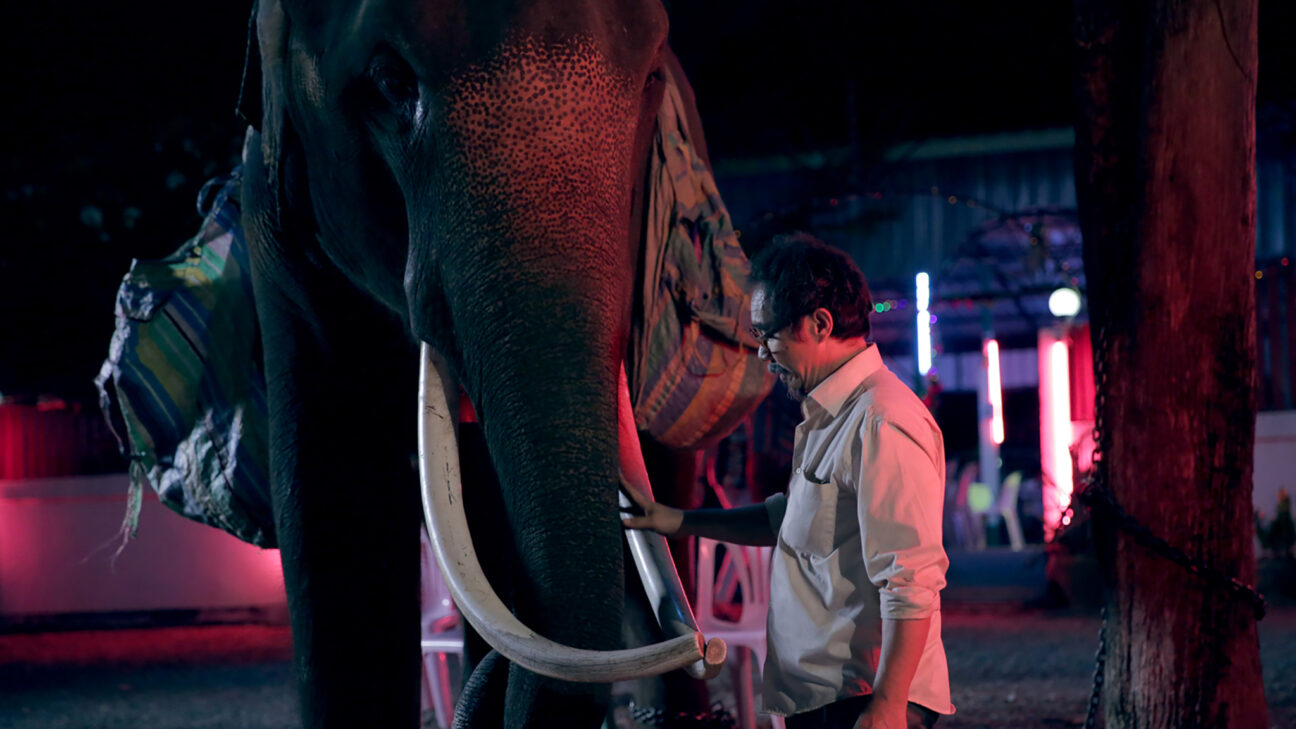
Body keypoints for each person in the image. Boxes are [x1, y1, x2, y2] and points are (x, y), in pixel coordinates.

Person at [622, 232, 954, 729]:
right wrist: (675, 521)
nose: (762, 354)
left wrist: (888, 705)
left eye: (767, 336)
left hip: (861, 697)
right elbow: (787, 522)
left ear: (820, 324)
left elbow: (911, 580)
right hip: (825, 696)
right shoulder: (831, 415)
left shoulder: (881, 421)